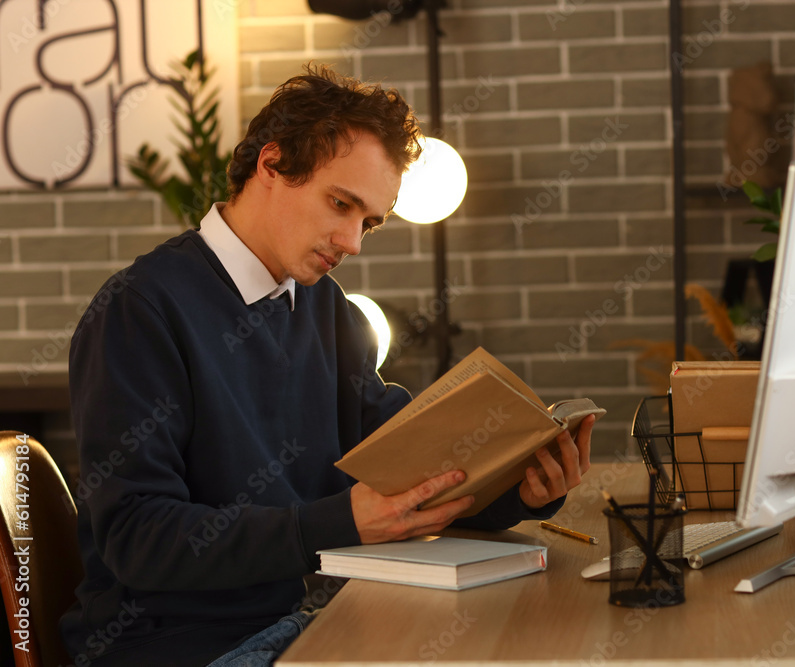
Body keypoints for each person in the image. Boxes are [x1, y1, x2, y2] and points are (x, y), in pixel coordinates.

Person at [60, 64, 595, 667]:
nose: (353, 242)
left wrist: (518, 488)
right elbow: (138, 538)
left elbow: (399, 461)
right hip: (187, 645)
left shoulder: (322, 305)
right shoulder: (139, 309)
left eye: (368, 221)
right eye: (340, 204)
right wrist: (334, 523)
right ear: (272, 164)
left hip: (318, 613)